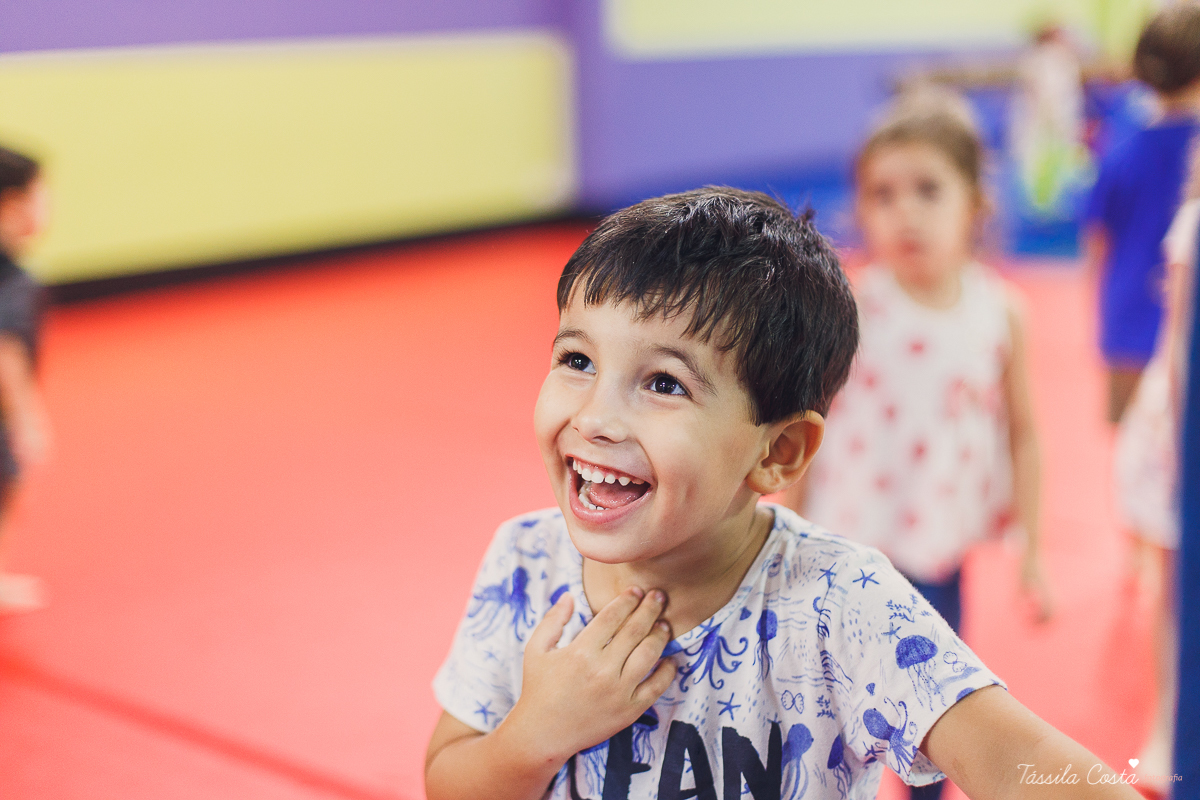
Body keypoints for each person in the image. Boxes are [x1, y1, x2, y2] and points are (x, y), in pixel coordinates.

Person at [425, 187, 1137, 799]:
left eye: (664, 383)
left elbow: (1029, 763)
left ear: (779, 451)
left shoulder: (839, 605)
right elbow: (449, 779)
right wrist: (535, 734)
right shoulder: (525, 565)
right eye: (577, 359)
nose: (595, 418)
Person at [788, 95, 1053, 782]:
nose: (904, 211)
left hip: (937, 544)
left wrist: (1033, 548)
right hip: (847, 543)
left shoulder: (999, 310)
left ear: (974, 202)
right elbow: (801, 425)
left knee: (931, 709)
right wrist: (781, 521)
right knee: (830, 707)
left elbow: (1024, 432)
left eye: (928, 189)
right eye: (883, 193)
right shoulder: (853, 305)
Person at [1112, 141, 1200, 798]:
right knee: (1173, 593)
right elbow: (1179, 352)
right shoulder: (1192, 227)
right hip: (1178, 434)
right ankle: (1164, 728)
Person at [1083, 4, 1200, 423]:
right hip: (1186, 323)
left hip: (1127, 319)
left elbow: (1096, 239)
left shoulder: (1122, 147)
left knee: (1134, 449)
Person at [0, 146, 51, 613]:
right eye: (42, 195)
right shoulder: (11, 279)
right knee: (5, 486)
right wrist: (28, 420)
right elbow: (6, 352)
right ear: (12, 206)